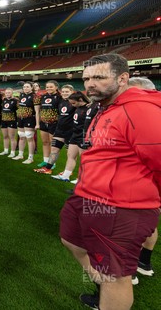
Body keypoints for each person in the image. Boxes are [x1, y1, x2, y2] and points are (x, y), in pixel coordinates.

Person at [59, 53, 161, 310]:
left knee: (115, 275)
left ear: (123, 78)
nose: (90, 84)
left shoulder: (140, 109)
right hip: (88, 196)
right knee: (71, 241)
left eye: (99, 77)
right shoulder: (108, 106)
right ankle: (102, 286)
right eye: (87, 78)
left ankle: (109, 288)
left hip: (122, 207)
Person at [128, 76, 158, 285]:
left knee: (129, 226)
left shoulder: (146, 114)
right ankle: (144, 263)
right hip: (149, 185)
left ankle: (128, 271)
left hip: (140, 183)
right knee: (149, 224)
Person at [34, 84, 75, 175]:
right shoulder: (61, 101)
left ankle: (68, 172)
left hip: (70, 131)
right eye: (63, 92)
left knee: (70, 153)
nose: (64, 93)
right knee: (54, 150)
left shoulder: (75, 102)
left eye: (67, 92)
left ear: (72, 92)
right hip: (59, 130)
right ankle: (48, 168)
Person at [51, 91, 90, 182]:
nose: (72, 105)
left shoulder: (89, 108)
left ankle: (82, 179)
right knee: (70, 155)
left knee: (84, 158)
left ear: (80, 100)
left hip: (83, 136)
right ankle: (65, 175)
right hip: (74, 134)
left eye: (73, 103)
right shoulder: (78, 107)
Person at [35, 80, 61, 168]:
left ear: (56, 87)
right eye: (47, 87)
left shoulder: (59, 97)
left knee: (53, 144)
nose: (49, 88)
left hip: (54, 123)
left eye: (51, 87)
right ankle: (45, 161)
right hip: (43, 123)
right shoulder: (43, 97)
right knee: (45, 142)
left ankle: (52, 163)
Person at [13, 82, 39, 164]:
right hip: (21, 119)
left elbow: (37, 111)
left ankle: (30, 158)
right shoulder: (22, 95)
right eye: (24, 87)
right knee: (21, 136)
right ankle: (20, 154)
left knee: (29, 137)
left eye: (27, 87)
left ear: (32, 88)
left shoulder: (35, 96)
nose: (25, 88)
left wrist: (37, 123)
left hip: (30, 119)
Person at [0, 88, 18, 157]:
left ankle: (12, 152)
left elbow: (19, 111)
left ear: (12, 93)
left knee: (12, 137)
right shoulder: (4, 100)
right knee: (5, 136)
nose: (7, 94)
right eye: (6, 93)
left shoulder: (16, 101)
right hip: (3, 120)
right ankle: (6, 150)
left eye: (9, 92)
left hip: (12, 120)